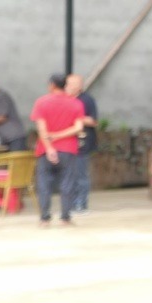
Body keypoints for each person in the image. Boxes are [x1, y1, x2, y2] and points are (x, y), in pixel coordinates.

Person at [29, 73, 87, 226]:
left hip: (44, 150)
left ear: (52, 85)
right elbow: (78, 128)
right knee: (67, 183)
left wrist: (49, 147)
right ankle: (65, 217)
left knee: (44, 184)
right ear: (65, 85)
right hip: (68, 149)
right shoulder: (76, 103)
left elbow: (42, 129)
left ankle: (44, 218)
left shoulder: (41, 102)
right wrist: (59, 136)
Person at [65, 73, 99, 215]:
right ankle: (71, 204)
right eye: (67, 84)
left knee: (81, 174)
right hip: (67, 142)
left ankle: (81, 204)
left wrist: (78, 117)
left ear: (79, 86)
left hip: (83, 142)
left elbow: (93, 121)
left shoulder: (87, 100)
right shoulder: (64, 99)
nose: (67, 87)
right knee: (69, 175)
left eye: (71, 84)